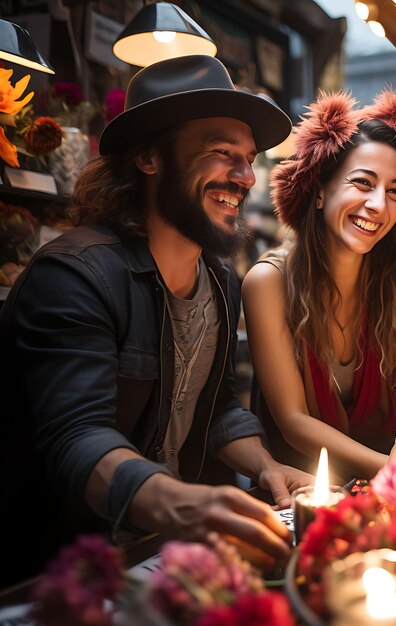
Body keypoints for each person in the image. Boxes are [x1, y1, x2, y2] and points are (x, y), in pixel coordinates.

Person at [0, 55, 312, 587]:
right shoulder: (75, 278)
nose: (244, 176)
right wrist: (186, 504)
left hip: (155, 560)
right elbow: (77, 438)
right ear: (148, 157)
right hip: (56, 575)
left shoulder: (218, 280)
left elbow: (214, 407)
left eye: (248, 158)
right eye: (221, 154)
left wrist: (265, 465)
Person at [242, 89, 396, 480]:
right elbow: (293, 421)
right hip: (302, 491)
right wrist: (394, 473)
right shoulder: (267, 282)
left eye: (395, 191)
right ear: (320, 191)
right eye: (363, 182)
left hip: (395, 479)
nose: (379, 204)